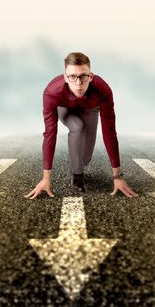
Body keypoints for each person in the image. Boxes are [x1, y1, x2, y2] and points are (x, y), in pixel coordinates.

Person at [24, 52, 138, 199]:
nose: (78, 83)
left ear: (90, 76)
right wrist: (46, 178)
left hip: (90, 108)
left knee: (85, 159)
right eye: (72, 77)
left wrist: (117, 177)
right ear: (65, 77)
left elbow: (109, 130)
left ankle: (80, 164)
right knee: (78, 126)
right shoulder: (51, 93)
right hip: (64, 107)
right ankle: (78, 180)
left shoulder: (103, 90)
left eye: (83, 76)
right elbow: (50, 133)